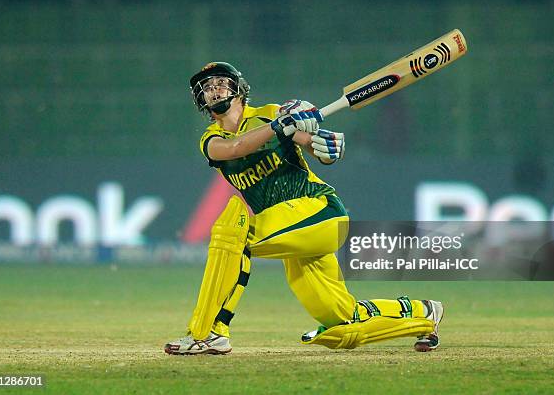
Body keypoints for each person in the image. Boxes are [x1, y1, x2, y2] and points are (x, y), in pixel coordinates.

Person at [164, 62, 443, 355]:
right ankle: (423, 314)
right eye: (207, 87)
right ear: (201, 100)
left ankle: (209, 332)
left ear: (238, 88)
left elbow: (313, 145)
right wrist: (277, 129)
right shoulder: (210, 140)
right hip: (291, 231)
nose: (214, 89)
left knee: (232, 232)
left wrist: (324, 146)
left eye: (220, 82)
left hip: (319, 211)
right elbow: (235, 150)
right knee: (341, 323)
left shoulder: (270, 113)